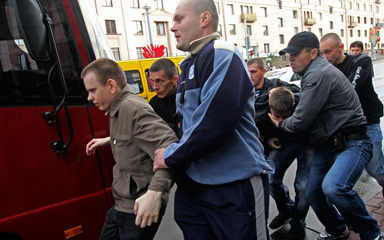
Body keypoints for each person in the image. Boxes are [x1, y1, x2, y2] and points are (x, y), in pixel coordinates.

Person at [152, 0, 274, 239]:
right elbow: (184, 125)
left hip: (233, 187)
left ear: (204, 19)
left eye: (178, 19)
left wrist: (170, 156)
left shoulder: (222, 53)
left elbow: (214, 125)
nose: (172, 27)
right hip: (195, 188)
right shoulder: (187, 63)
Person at [270, 31, 384, 240]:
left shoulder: (317, 74)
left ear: (313, 53)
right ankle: (337, 228)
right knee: (313, 193)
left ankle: (373, 232)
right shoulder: (313, 73)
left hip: (353, 141)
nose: (291, 59)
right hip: (329, 144)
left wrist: (280, 123)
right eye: (289, 55)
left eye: (295, 54)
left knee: (334, 187)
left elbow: (301, 120)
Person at [81, 58, 178, 239]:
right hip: (122, 204)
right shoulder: (117, 108)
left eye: (92, 90)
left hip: (138, 207)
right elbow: (134, 137)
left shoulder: (132, 108)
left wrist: (155, 193)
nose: (89, 98)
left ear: (111, 85)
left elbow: (170, 146)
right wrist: (110, 140)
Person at [320, 33, 384, 201]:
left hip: (368, 122)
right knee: (342, 178)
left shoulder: (360, 61)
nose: (325, 57)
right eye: (322, 53)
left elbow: (350, 89)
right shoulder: (326, 69)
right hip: (346, 128)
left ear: (340, 48)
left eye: (329, 52)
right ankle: (351, 214)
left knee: (375, 169)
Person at [265, 87, 313, 240]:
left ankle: (298, 222)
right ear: (270, 108)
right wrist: (268, 138)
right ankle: (286, 209)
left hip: (307, 144)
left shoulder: (304, 104)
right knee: (271, 178)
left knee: (303, 186)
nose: (280, 121)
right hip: (284, 144)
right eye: (276, 116)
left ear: (293, 108)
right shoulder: (263, 107)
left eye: (285, 117)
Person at [149, 58, 179, 127]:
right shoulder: (154, 103)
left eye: (159, 81)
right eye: (152, 81)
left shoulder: (187, 99)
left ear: (174, 80)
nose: (155, 87)